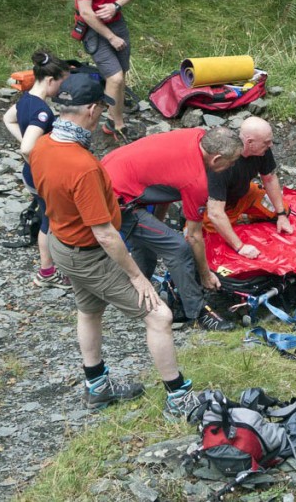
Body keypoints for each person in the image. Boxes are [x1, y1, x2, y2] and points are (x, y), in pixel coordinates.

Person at [30, 74, 202, 418]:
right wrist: (138, 277)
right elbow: (106, 234)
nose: (101, 116)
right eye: (101, 110)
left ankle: (98, 387)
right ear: (92, 109)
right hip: (89, 254)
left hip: (63, 244)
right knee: (159, 315)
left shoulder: (43, 145)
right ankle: (179, 397)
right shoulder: (83, 167)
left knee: (89, 310)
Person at [101, 127, 243, 331]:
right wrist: (204, 274)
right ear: (216, 158)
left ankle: (136, 295)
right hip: (115, 199)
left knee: (149, 240)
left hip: (112, 171)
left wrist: (154, 222)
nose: (233, 165)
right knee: (177, 248)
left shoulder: (197, 135)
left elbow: (165, 182)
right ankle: (197, 312)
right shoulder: (196, 180)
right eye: (232, 161)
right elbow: (193, 236)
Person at [2, 51, 68, 288]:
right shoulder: (42, 112)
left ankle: (49, 269)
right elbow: (27, 148)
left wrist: (29, 146)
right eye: (61, 83)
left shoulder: (25, 100)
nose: (62, 88)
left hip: (30, 175)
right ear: (50, 80)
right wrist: (42, 164)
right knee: (49, 221)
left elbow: (7, 119)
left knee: (46, 215)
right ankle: (47, 271)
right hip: (39, 176)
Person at [73, 0, 139, 139]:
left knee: (121, 74)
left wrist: (116, 6)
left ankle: (114, 122)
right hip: (94, 28)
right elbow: (85, 12)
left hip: (116, 20)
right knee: (115, 77)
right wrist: (110, 37)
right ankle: (94, 125)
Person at [205, 117, 294, 259]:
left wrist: (281, 215)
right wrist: (240, 247)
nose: (270, 145)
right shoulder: (223, 163)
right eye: (266, 142)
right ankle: (233, 221)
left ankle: (241, 218)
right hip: (218, 205)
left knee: (283, 208)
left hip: (244, 194)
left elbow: (269, 179)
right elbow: (215, 212)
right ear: (249, 142)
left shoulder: (262, 150)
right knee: (212, 239)